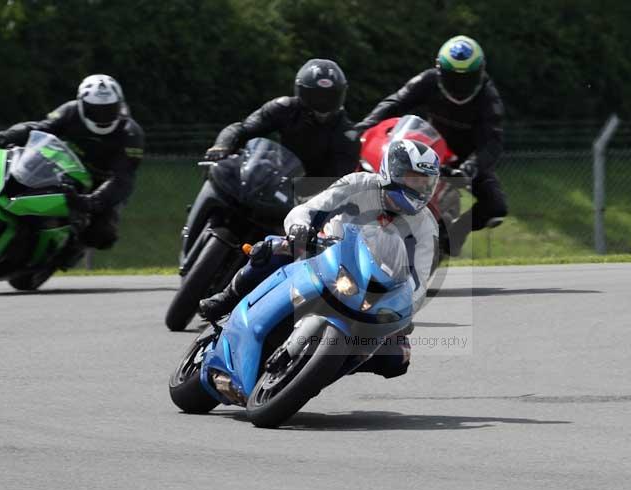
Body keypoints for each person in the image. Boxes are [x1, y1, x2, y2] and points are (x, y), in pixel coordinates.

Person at [199, 139, 441, 378]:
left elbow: (417, 283)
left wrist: (403, 310)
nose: (419, 187)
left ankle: (317, 374)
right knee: (273, 248)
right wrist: (299, 228)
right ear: (394, 171)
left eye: (425, 182)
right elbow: (307, 209)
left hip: (371, 292)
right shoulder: (358, 183)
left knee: (397, 357)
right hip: (323, 255)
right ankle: (227, 298)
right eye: (413, 178)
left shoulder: (426, 225)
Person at [354, 35, 507, 255]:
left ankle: (455, 234)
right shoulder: (429, 80)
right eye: (452, 76)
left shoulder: (488, 97)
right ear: (440, 70)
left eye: (467, 77)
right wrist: (364, 126)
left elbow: (493, 141)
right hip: (429, 146)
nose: (459, 84)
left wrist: (471, 167)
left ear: (480, 73)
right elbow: (395, 102)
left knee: (496, 206)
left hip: (467, 156)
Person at [0, 74, 145, 256]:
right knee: (12, 180)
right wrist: (10, 135)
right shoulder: (70, 111)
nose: (103, 116)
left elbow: (122, 178)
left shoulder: (131, 134)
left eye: (109, 109)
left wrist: (93, 201)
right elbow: (41, 127)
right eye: (95, 110)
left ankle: (69, 250)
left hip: (101, 183)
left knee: (102, 234)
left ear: (120, 106)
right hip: (62, 168)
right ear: (82, 105)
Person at [203, 58, 360, 195]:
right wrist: (221, 147)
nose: (322, 103)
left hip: (310, 199)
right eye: (316, 96)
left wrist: (300, 191)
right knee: (221, 179)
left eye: (329, 97)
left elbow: (339, 182)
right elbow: (241, 129)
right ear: (301, 91)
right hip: (272, 182)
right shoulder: (283, 108)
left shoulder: (347, 134)